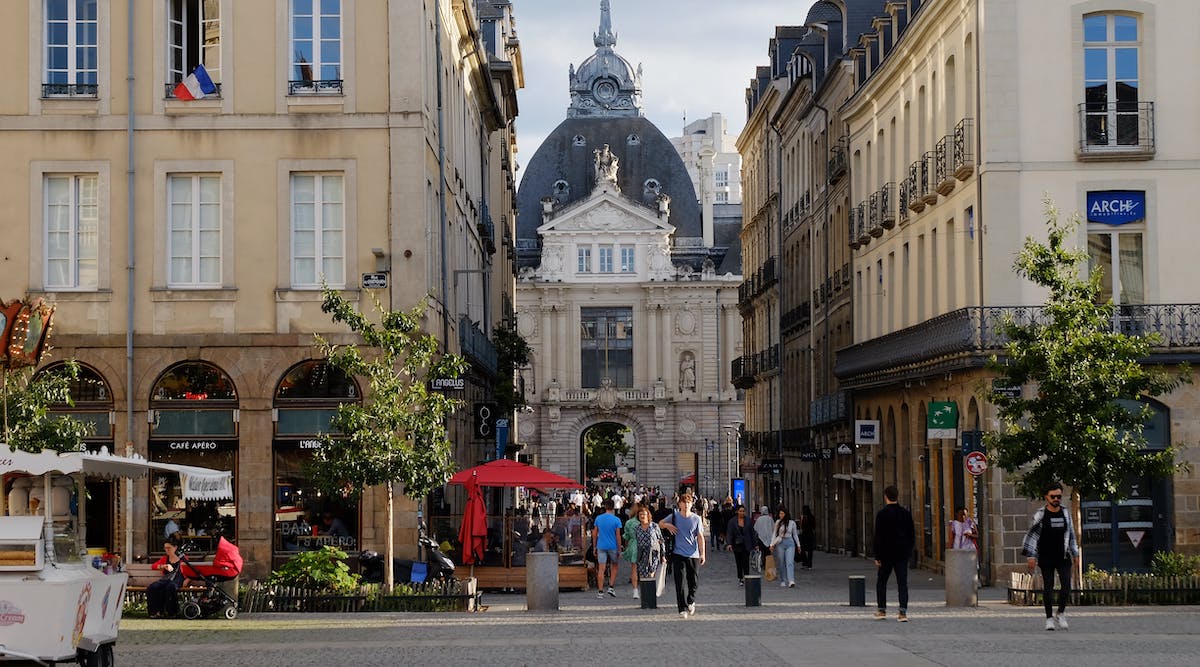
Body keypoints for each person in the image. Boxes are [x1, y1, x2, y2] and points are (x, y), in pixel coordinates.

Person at [1022, 481, 1080, 631]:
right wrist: (1031, 556)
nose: (1056, 499)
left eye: (1059, 496)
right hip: (1046, 556)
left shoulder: (1066, 512)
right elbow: (1032, 536)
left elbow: (1071, 534)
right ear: (1046, 497)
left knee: (1066, 586)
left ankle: (1060, 612)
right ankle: (1049, 618)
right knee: (1048, 587)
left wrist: (1075, 554)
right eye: (1053, 496)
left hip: (1063, 555)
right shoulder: (1040, 515)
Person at [659, 492, 706, 618]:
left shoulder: (696, 519)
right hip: (677, 553)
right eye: (684, 502)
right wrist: (667, 525)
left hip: (693, 554)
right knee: (679, 582)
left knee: (693, 581)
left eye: (688, 503)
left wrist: (703, 554)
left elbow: (700, 537)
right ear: (679, 504)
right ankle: (682, 608)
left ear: (692, 504)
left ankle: (691, 600)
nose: (686, 505)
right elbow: (660, 523)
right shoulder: (674, 516)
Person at [873, 485, 916, 622]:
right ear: (897, 496)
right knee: (902, 583)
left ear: (886, 497)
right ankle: (902, 613)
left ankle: (882, 610)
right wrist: (908, 551)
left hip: (886, 554)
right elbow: (911, 535)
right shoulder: (905, 513)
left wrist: (877, 556)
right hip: (901, 554)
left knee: (881, 582)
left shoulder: (882, 514)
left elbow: (878, 537)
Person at [147, 538, 189, 618]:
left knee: (171, 587)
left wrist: (187, 580)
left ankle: (172, 612)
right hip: (166, 580)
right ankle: (155, 612)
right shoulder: (165, 558)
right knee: (152, 587)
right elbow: (153, 566)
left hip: (177, 580)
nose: (166, 550)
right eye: (165, 548)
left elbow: (191, 570)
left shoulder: (183, 558)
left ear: (175, 547)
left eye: (168, 548)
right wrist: (163, 566)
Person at [593, 498, 624, 598]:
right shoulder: (616, 520)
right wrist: (619, 548)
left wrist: (594, 546)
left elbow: (594, 533)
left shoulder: (598, 518)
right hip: (612, 546)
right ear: (613, 507)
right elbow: (618, 535)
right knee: (614, 565)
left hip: (601, 545)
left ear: (605, 507)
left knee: (601, 568)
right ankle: (611, 586)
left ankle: (600, 591)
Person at [725, 505, 756, 585]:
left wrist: (755, 544)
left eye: (743, 511)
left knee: (746, 561)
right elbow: (729, 533)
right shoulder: (732, 521)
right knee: (739, 562)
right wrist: (729, 544)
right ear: (737, 512)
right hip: (737, 544)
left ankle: (746, 577)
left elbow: (752, 533)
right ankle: (740, 578)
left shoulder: (748, 520)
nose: (742, 512)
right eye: (740, 511)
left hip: (746, 544)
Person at [770, 508, 799, 588]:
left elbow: (795, 535)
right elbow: (774, 534)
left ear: (786, 514)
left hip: (790, 543)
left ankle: (791, 580)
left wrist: (798, 545)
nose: (781, 515)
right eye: (780, 514)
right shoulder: (778, 522)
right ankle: (783, 580)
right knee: (781, 562)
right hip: (780, 543)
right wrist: (771, 544)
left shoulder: (792, 523)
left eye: (782, 514)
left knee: (790, 562)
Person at [621, 501, 643, 599]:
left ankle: (635, 591)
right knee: (644, 569)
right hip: (644, 545)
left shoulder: (629, 522)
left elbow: (626, 536)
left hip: (633, 545)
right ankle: (646, 588)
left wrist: (626, 547)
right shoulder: (645, 521)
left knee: (634, 569)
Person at [799, 505, 817, 569]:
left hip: (804, 535)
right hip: (810, 534)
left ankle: (805, 563)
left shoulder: (803, 517)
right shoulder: (812, 517)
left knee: (803, 549)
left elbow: (801, 526)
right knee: (810, 550)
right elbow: (814, 526)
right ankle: (809, 564)